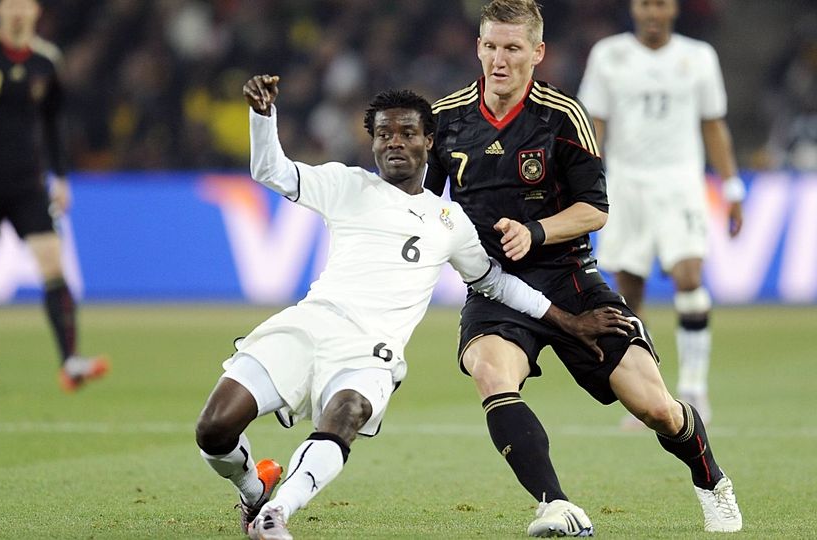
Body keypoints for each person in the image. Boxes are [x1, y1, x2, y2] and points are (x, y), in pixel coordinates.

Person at [195, 74, 634, 540]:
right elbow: (271, 172)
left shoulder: (448, 221)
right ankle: (254, 489)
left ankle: (276, 513)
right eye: (384, 133)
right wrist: (263, 116)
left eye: (407, 133)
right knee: (214, 429)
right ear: (372, 142)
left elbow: (495, 283)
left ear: (429, 141)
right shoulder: (345, 185)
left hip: (370, 351)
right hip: (308, 325)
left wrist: (567, 320)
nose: (395, 142)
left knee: (346, 412)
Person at [424, 0, 741, 535]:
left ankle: (712, 481)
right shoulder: (446, 118)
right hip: (497, 289)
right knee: (491, 373)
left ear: (537, 52)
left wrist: (536, 231)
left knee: (657, 409)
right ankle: (555, 505)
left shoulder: (563, 116)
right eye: (490, 46)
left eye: (512, 48)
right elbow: (422, 206)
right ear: (478, 47)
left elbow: (595, 208)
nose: (499, 60)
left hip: (569, 280)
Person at [577, 0, 746, 427]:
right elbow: (594, 125)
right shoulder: (608, 55)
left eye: (660, 4)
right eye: (645, 4)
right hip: (625, 184)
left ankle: (693, 387)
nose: (652, 13)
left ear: (673, 9)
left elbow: (713, 124)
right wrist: (584, 181)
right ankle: (647, 394)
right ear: (634, 9)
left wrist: (731, 186)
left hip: (680, 183)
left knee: (689, 276)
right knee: (629, 292)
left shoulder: (699, 57)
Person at [0, 0, 108, 394]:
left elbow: (54, 122)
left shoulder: (47, 60)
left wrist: (61, 177)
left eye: (24, 4)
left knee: (52, 262)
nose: (17, 12)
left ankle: (70, 360)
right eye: (10, 4)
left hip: (27, 182)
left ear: (36, 11)